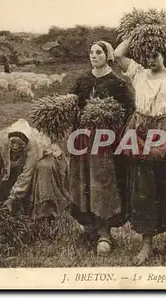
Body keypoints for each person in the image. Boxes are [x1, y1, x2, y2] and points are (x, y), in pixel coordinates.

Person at [114, 27, 166, 266]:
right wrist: (137, 32)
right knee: (144, 184)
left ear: (165, 55)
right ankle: (147, 243)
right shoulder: (137, 73)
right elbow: (118, 55)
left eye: (156, 54)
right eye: (148, 54)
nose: (151, 58)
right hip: (140, 128)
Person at [64, 40, 135, 256]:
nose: (94, 56)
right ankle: (89, 224)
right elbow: (71, 104)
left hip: (105, 142)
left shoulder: (117, 83)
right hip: (83, 140)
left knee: (103, 183)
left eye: (99, 53)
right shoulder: (82, 81)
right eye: (91, 52)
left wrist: (110, 119)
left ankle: (105, 231)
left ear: (108, 56)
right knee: (83, 181)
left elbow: (129, 111)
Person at [0, 118, 70, 220]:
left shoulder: (35, 145)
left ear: (26, 143)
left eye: (20, 144)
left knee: (42, 167)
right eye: (13, 143)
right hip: (24, 160)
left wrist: (13, 198)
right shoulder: (0, 139)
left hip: (47, 157)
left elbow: (27, 174)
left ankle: (45, 211)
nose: (15, 147)